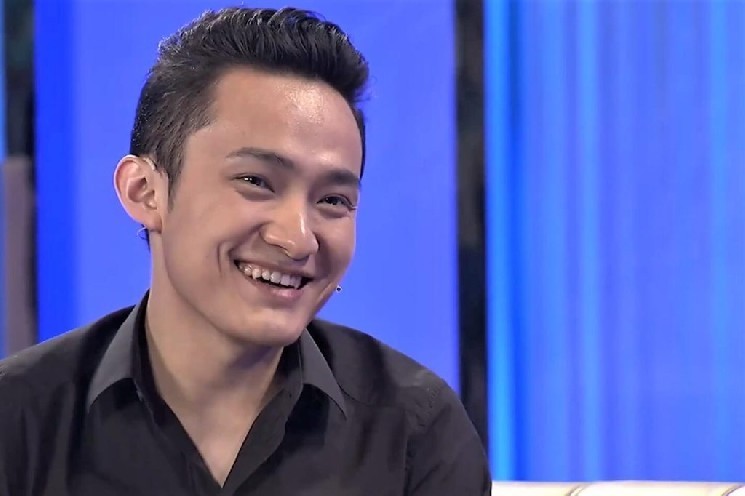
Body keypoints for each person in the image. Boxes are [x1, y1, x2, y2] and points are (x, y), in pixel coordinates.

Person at [0, 7, 491, 495]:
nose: (298, 238)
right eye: (256, 181)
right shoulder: (19, 423)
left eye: (333, 200)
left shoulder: (414, 434)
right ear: (145, 191)